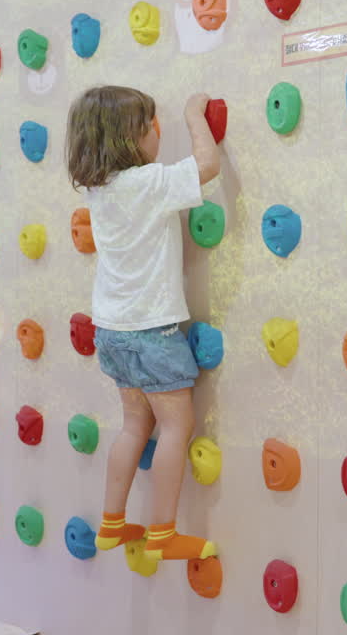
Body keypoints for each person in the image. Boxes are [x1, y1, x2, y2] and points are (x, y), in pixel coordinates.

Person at [65, 86, 221, 562]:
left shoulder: (99, 189)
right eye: (154, 125)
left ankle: (111, 523)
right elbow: (207, 165)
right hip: (153, 331)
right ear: (133, 137)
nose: (159, 132)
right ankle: (163, 533)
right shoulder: (149, 183)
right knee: (177, 426)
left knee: (134, 425)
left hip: (110, 330)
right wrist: (195, 113)